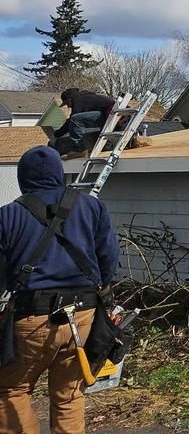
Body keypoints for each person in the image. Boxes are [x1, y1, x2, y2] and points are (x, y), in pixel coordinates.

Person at [0, 145, 119, 434]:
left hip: (32, 317)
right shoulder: (92, 206)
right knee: (69, 394)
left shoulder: (8, 215)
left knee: (11, 391)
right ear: (59, 174)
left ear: (22, 177)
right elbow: (109, 258)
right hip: (84, 314)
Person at [53, 89, 115, 159]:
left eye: (67, 103)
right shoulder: (85, 98)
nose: (68, 106)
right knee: (87, 122)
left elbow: (71, 121)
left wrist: (57, 133)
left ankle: (79, 149)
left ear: (70, 99)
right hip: (111, 113)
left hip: (110, 113)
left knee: (75, 119)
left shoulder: (78, 100)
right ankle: (107, 146)